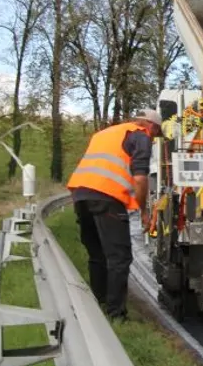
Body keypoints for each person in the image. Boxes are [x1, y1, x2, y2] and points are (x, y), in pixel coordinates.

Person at [66, 109, 162, 321]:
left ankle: (100, 304)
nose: (154, 139)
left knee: (97, 254)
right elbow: (140, 179)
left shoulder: (106, 133)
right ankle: (116, 314)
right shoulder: (141, 136)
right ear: (152, 126)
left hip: (81, 195)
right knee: (119, 258)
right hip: (107, 198)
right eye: (156, 134)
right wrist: (144, 212)